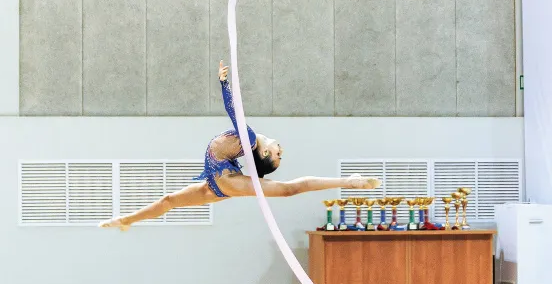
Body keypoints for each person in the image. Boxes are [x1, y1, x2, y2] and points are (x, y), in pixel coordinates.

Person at [99, 61, 381, 231]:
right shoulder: (245, 144)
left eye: (279, 155)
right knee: (168, 201)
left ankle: (350, 181)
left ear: (265, 153)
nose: (281, 149)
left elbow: (233, 110)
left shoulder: (250, 138)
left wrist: (224, 84)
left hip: (225, 181)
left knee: (289, 189)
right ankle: (127, 220)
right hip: (217, 183)